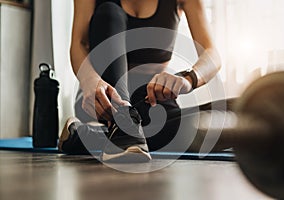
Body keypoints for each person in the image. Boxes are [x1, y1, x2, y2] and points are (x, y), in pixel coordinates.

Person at [58, 0, 233, 162]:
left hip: (153, 102)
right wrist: (89, 81)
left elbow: (211, 54)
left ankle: (89, 136)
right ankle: (123, 117)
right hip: (104, 100)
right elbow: (79, 43)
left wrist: (189, 78)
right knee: (109, 11)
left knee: (236, 115)